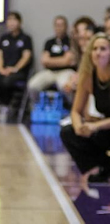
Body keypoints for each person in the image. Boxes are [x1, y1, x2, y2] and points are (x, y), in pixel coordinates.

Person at [60, 33, 110, 192]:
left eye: (103, 48)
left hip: (103, 126)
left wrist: (95, 126)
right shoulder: (88, 76)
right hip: (104, 127)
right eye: (95, 49)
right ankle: (103, 168)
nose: (98, 52)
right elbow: (75, 110)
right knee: (68, 132)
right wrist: (78, 126)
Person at [0, 11, 33, 119]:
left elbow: (26, 56)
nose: (11, 23)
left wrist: (15, 69)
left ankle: (10, 106)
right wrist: (1, 69)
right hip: (4, 70)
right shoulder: (4, 38)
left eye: (14, 20)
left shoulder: (25, 38)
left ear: (19, 22)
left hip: (18, 71)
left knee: (8, 81)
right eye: (9, 20)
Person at [27, 15, 76, 104]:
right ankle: (38, 108)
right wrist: (62, 60)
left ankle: (72, 109)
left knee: (66, 87)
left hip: (66, 71)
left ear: (66, 27)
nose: (59, 28)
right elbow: (44, 61)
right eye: (57, 25)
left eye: (61, 25)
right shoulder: (49, 42)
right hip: (49, 72)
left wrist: (52, 61)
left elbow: (68, 61)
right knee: (32, 85)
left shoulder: (71, 41)